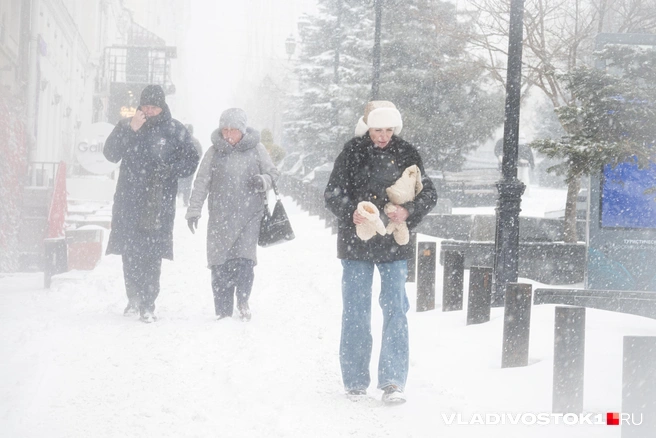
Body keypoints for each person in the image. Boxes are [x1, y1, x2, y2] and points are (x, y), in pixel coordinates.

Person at [324, 101, 437, 404]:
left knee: (396, 310)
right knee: (357, 312)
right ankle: (355, 381)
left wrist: (408, 211)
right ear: (368, 127)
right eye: (378, 129)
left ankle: (393, 382)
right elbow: (332, 193)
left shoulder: (407, 153)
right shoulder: (352, 151)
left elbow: (428, 192)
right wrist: (352, 213)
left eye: (389, 129)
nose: (383, 135)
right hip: (356, 243)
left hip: (393, 244)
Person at [104, 84, 200, 323]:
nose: (149, 110)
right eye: (146, 105)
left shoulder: (175, 130)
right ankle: (133, 298)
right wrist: (130, 129)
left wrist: (171, 170)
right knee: (130, 251)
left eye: (154, 106)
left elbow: (191, 160)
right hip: (129, 199)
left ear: (162, 106)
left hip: (158, 202)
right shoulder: (128, 124)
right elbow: (110, 153)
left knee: (152, 254)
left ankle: (148, 303)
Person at [185, 108, 279, 322]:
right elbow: (201, 182)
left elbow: (273, 173)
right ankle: (223, 309)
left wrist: (263, 180)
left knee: (245, 260)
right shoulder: (214, 152)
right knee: (220, 263)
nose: (228, 134)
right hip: (220, 217)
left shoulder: (257, 149)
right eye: (225, 129)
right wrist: (194, 210)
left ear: (243, 131)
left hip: (250, 215)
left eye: (233, 130)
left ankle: (243, 300)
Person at [177, 124, 203, 207]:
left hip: (180, 166)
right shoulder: (195, 141)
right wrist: (194, 162)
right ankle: (185, 200)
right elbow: (200, 152)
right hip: (190, 167)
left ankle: (178, 196)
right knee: (188, 184)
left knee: (179, 182)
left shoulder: (179, 140)